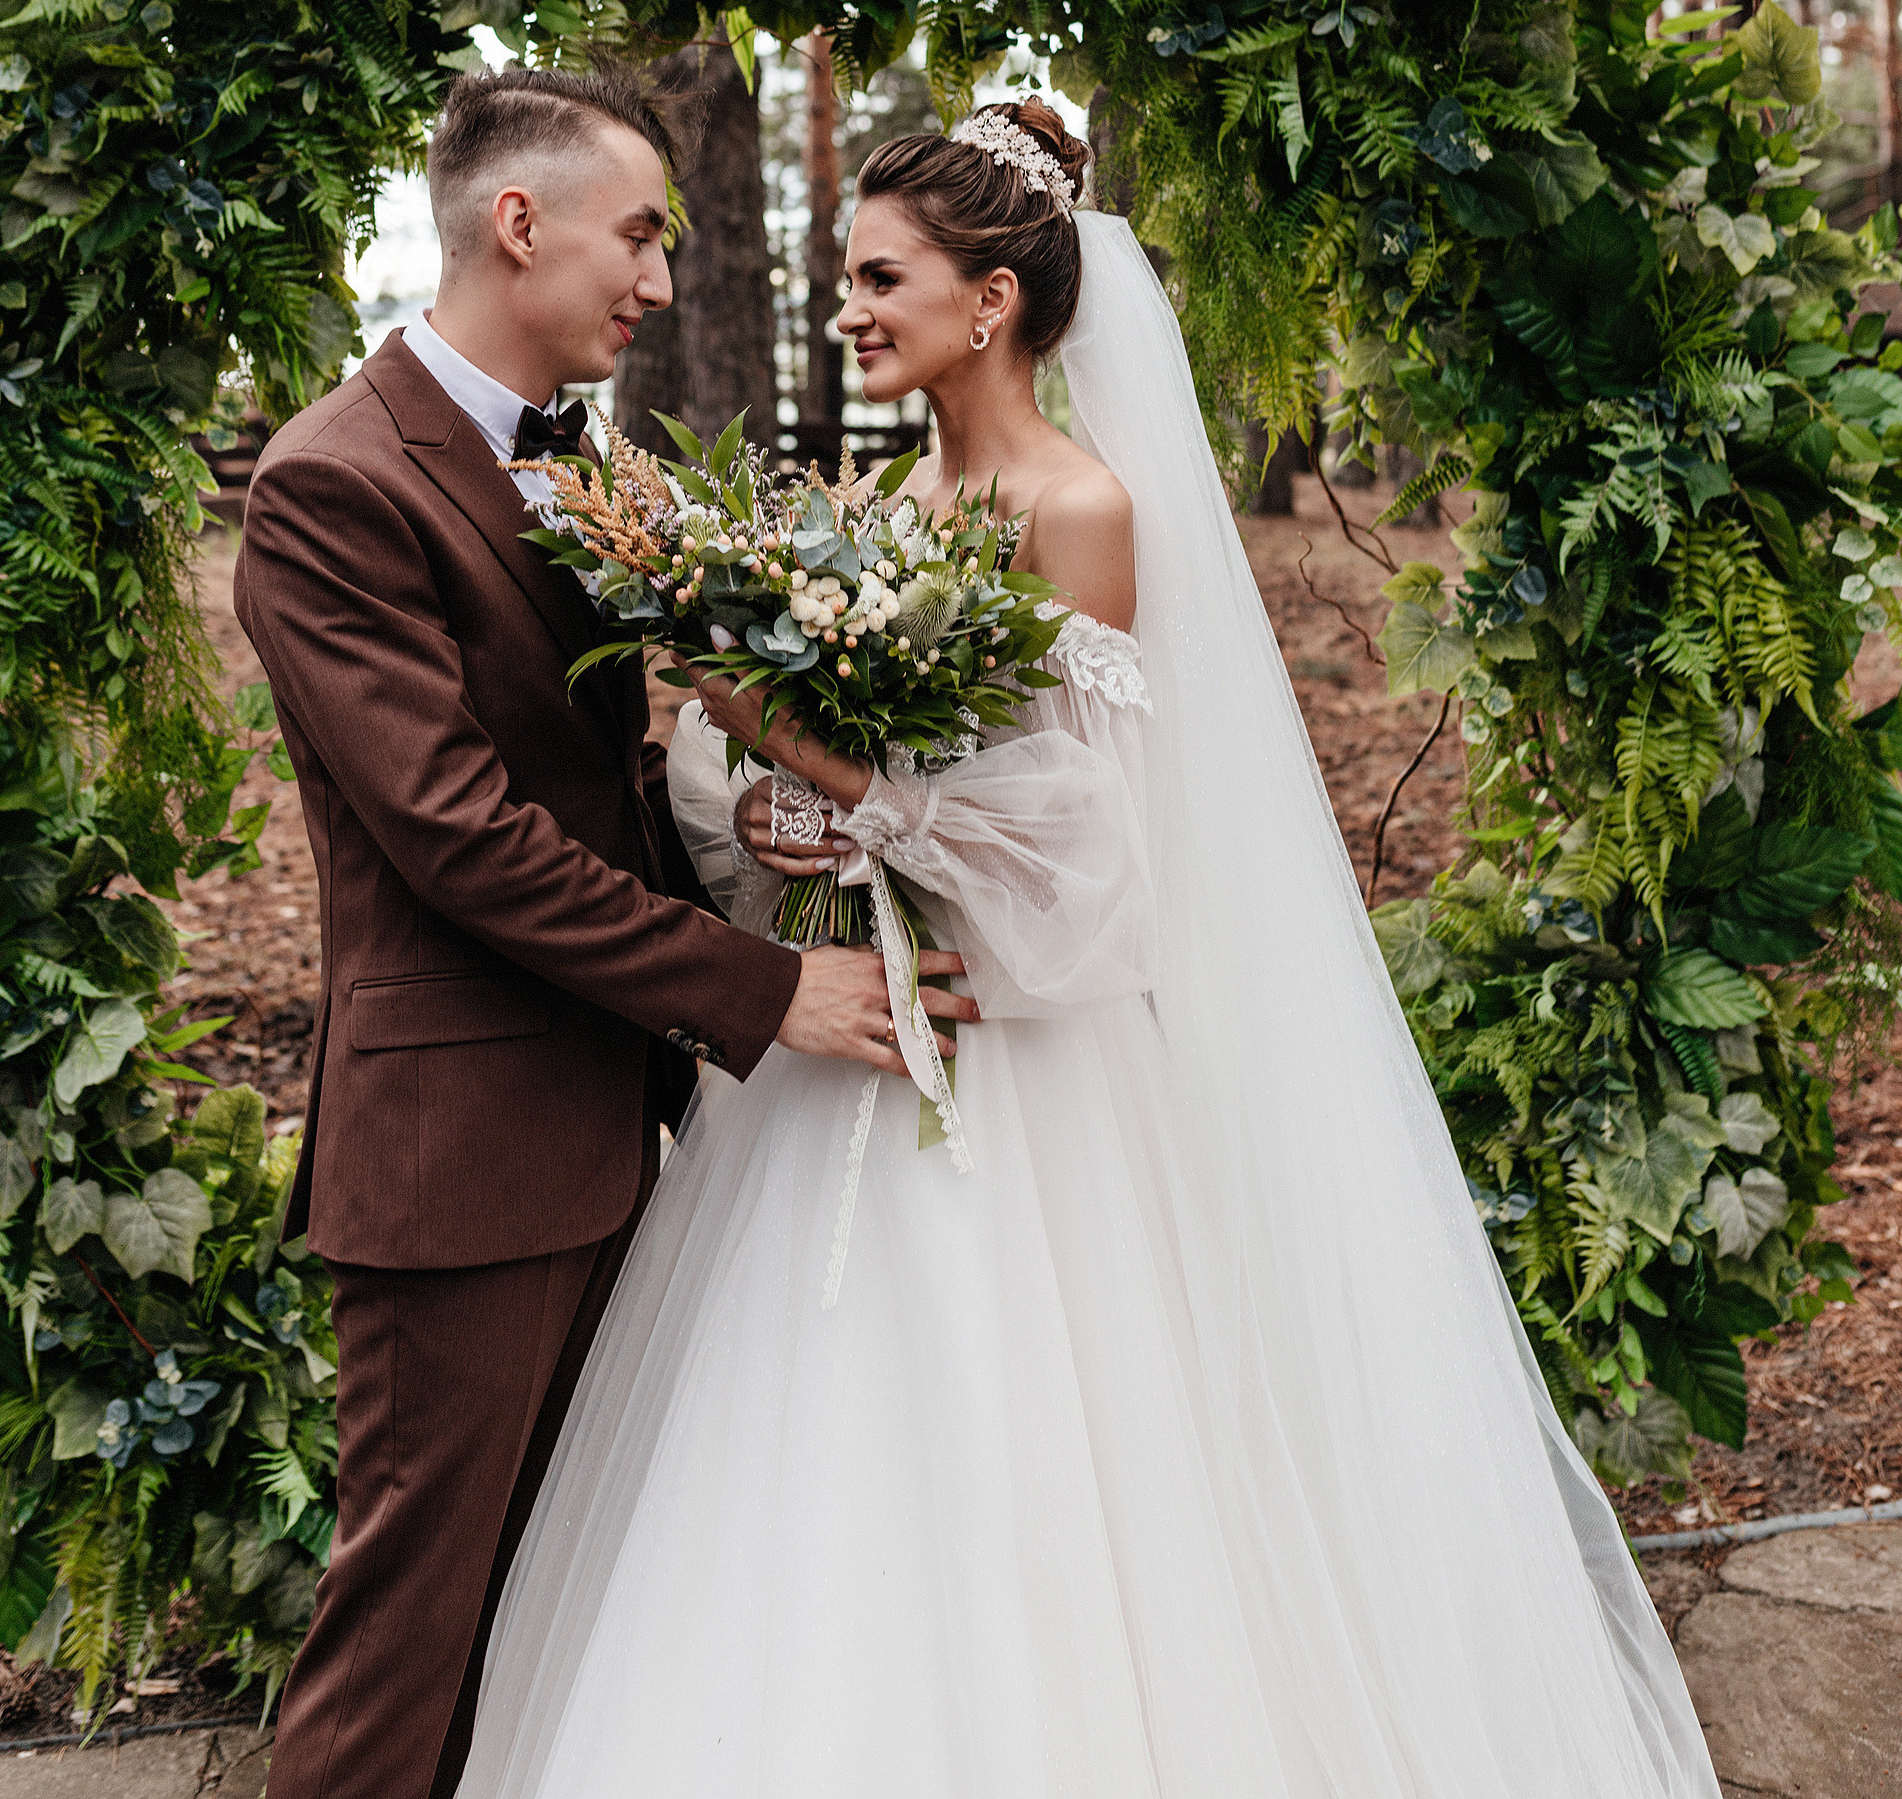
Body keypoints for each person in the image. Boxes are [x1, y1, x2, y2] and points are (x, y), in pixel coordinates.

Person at [455, 94, 1720, 1799]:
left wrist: (816, 756)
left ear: (992, 301)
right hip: (852, 1034)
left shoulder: (1083, 510)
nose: (851, 305)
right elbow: (827, 786)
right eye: (845, 272)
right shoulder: (881, 511)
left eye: (881, 275)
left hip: (1019, 1055)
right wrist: (767, 805)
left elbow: (1074, 851)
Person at [232, 65, 958, 1799]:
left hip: (613, 1116)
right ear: (518, 221)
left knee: (562, 1617)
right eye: (639, 235)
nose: (656, 277)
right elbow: (466, 842)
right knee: (407, 1643)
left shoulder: (579, 461)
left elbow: (614, 780)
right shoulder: (335, 485)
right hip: (464, 1153)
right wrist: (765, 990)